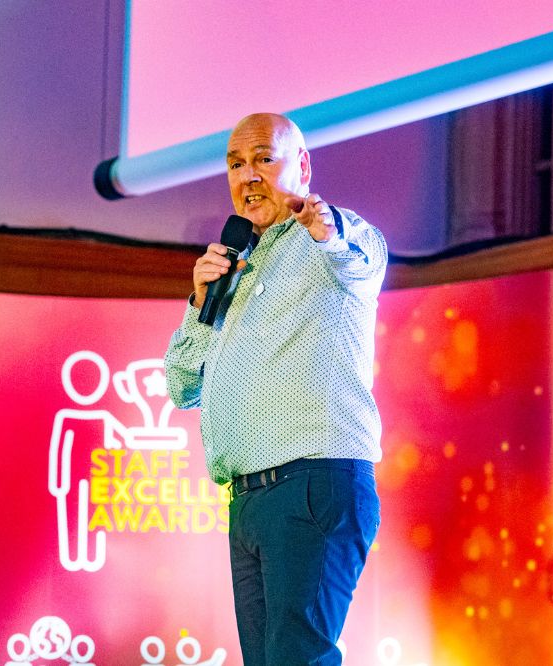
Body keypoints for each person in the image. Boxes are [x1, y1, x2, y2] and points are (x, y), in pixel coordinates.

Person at [164, 113, 387, 665]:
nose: (249, 176)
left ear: (303, 166)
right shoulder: (235, 265)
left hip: (312, 483)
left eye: (265, 158)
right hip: (249, 500)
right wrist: (200, 303)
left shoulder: (329, 239)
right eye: (236, 165)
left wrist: (330, 231)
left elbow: (364, 260)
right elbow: (181, 385)